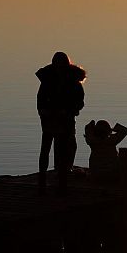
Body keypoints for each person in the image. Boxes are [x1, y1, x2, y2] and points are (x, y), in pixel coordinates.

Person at [36, 52, 86, 194]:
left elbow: (79, 101)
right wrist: (42, 110)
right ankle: (43, 179)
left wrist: (68, 111)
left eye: (60, 63)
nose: (58, 66)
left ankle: (61, 180)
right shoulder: (47, 79)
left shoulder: (73, 81)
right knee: (46, 149)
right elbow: (40, 99)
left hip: (65, 119)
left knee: (62, 149)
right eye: (56, 63)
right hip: (49, 119)